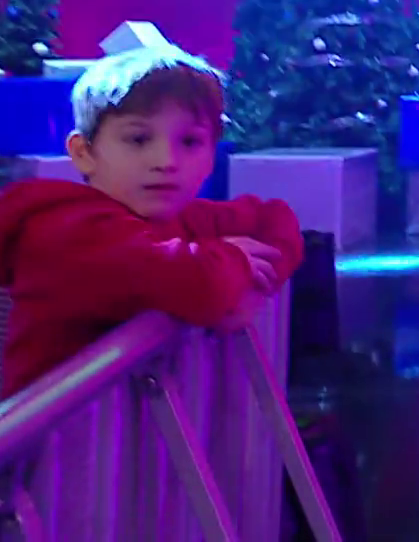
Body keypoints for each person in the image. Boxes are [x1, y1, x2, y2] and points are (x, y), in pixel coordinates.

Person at [0, 45, 305, 396]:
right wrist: (235, 265)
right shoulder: (64, 231)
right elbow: (196, 284)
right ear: (84, 153)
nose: (166, 161)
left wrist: (252, 289)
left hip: (129, 431)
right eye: (138, 139)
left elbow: (273, 219)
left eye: (190, 141)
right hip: (53, 430)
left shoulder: (180, 217)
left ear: (212, 155)